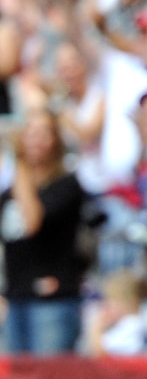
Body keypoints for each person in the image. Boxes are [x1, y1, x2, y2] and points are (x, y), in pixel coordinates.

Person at [2, 109, 89, 354]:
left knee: (50, 376)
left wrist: (19, 165)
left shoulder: (66, 186)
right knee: (15, 377)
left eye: (44, 133)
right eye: (30, 132)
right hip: (15, 299)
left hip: (53, 301)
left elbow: (32, 222)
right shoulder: (8, 193)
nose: (36, 140)